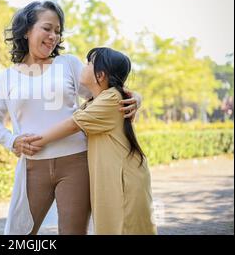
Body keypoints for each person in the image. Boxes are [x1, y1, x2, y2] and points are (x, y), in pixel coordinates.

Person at [0, 1, 141, 235]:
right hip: (33, 167)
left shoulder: (67, 64)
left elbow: (104, 92)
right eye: (47, 28)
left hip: (76, 163)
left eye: (58, 31)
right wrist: (12, 141)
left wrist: (135, 96)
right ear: (27, 30)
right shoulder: (6, 77)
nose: (53, 36)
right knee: (19, 234)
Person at [30, 47, 157, 235]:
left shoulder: (111, 98)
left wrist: (35, 142)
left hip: (122, 178)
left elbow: (73, 125)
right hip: (111, 176)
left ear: (101, 75)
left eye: (89, 63)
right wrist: (137, 97)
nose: (84, 66)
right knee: (111, 227)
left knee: (124, 227)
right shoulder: (96, 100)